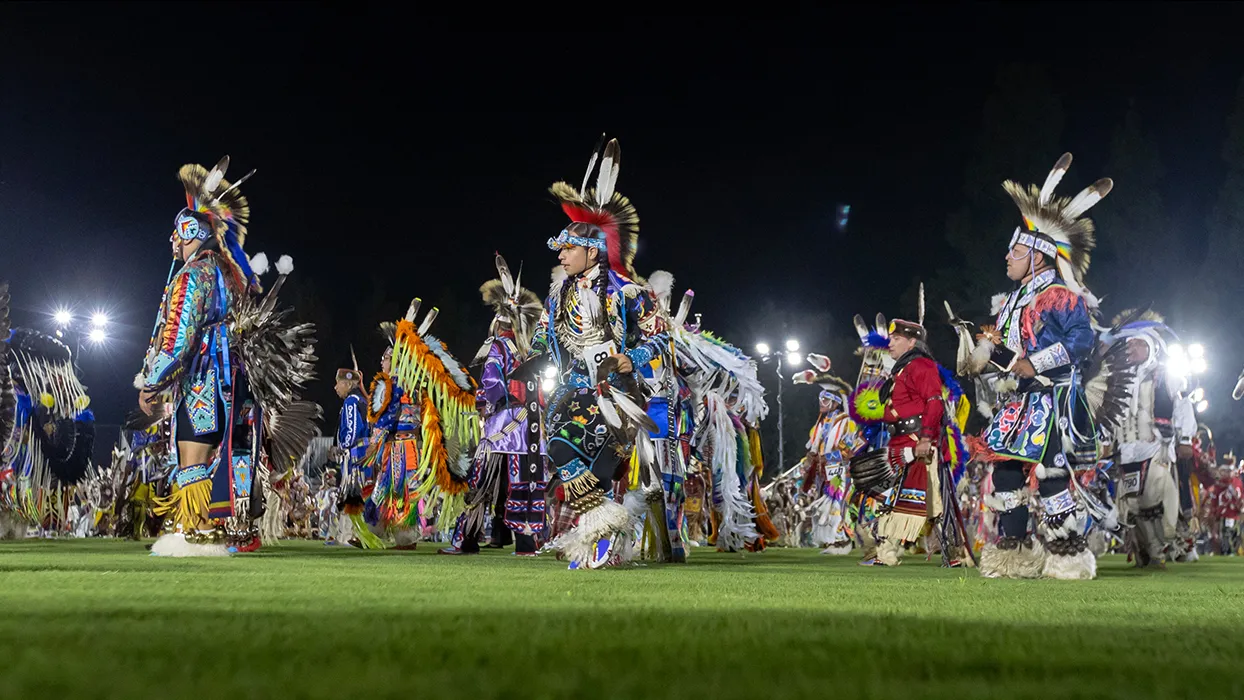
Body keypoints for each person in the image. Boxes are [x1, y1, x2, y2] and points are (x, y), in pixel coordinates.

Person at [136, 157, 321, 556]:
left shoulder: (192, 277)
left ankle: (198, 531)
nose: (172, 241)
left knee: (192, 453)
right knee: (199, 453)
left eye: (176, 233)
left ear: (189, 231)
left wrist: (152, 381)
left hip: (202, 374)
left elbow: (178, 335)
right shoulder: (220, 274)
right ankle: (198, 528)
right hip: (223, 378)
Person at [962, 153, 1110, 579]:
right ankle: (1014, 553)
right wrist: (985, 355)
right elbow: (1012, 356)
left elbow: (1082, 340)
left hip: (1054, 396)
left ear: (1039, 256)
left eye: (1016, 250)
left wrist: (1036, 362)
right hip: (1020, 400)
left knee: (1050, 475)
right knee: (1005, 469)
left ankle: (1067, 555)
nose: (1007, 257)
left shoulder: (1061, 296)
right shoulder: (1012, 302)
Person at [530, 136, 668, 569]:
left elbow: (661, 337)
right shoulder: (557, 297)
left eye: (569, 248)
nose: (562, 255)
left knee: (566, 450)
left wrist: (634, 359)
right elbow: (544, 339)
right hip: (570, 391)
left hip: (614, 392)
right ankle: (604, 548)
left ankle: (604, 536)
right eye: (561, 249)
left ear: (592, 251)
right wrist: (531, 348)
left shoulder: (628, 293)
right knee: (590, 471)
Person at [443, 254, 548, 556]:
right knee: (525, 481)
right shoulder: (533, 351)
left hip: (504, 425)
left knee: (481, 483)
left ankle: (466, 541)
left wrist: (493, 402)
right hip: (531, 429)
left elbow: (490, 382)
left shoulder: (499, 347)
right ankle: (527, 543)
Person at [865, 319, 964, 567]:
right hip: (900, 441)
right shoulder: (902, 368)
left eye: (896, 339)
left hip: (917, 440)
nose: (890, 343)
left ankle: (953, 551)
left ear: (912, 342)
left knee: (930, 496)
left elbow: (934, 402)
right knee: (897, 495)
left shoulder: (921, 365)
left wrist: (926, 437)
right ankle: (886, 552)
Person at [792, 354, 864, 554]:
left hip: (837, 468)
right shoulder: (821, 424)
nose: (821, 401)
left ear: (834, 401)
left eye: (825, 398)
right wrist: (810, 460)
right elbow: (814, 448)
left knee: (833, 503)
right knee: (820, 504)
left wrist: (831, 459)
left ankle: (839, 539)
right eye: (820, 398)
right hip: (823, 469)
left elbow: (848, 448)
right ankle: (826, 538)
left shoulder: (845, 420)